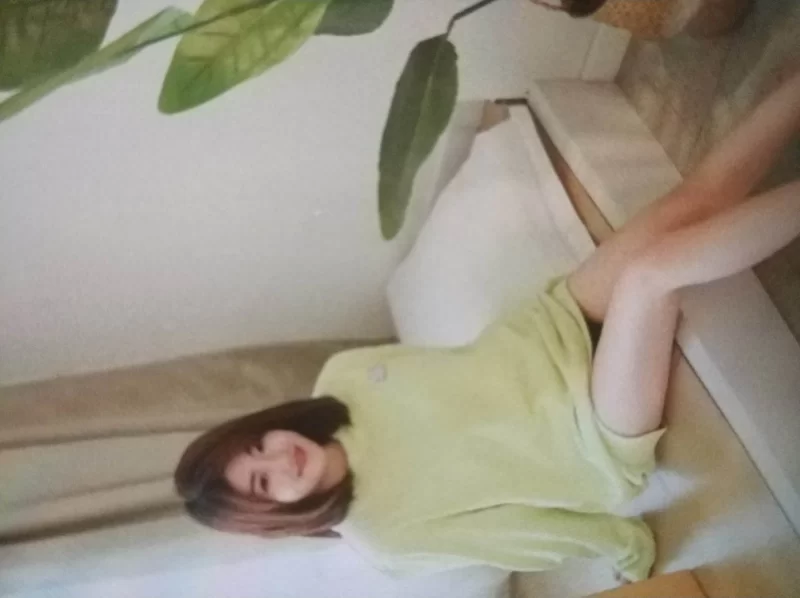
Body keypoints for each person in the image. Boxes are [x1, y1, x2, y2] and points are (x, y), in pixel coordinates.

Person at [175, 69, 800, 582]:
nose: (278, 458)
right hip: (592, 436)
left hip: (551, 327)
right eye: (264, 482)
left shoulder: (342, 378)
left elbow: (466, 371)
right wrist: (623, 544)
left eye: (256, 446)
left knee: (685, 204)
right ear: (275, 517)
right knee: (650, 277)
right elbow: (520, 536)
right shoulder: (388, 539)